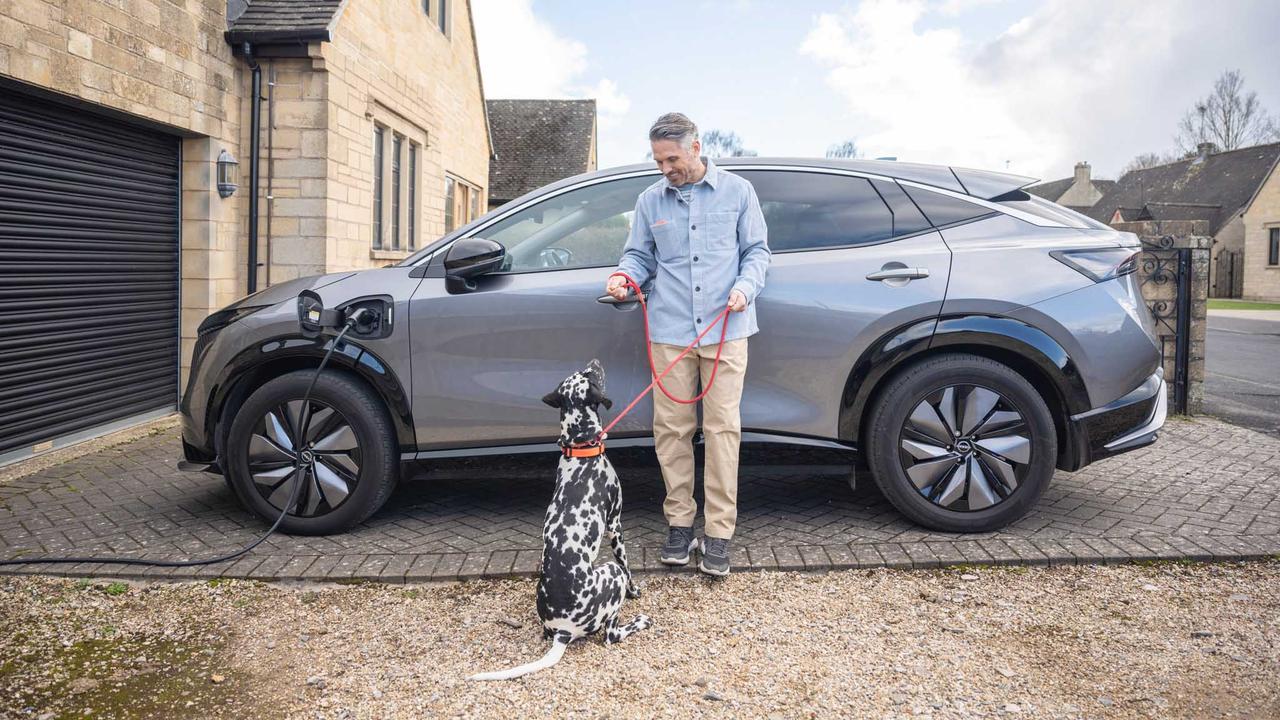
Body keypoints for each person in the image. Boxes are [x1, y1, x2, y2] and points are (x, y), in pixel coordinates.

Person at [607, 112, 770, 576]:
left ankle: (718, 533)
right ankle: (679, 524)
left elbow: (757, 251)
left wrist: (746, 286)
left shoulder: (739, 192)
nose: (665, 168)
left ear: (696, 148)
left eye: (672, 158)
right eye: (658, 160)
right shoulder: (649, 200)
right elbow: (639, 255)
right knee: (671, 431)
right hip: (670, 332)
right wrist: (624, 277)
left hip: (726, 330)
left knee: (722, 431)